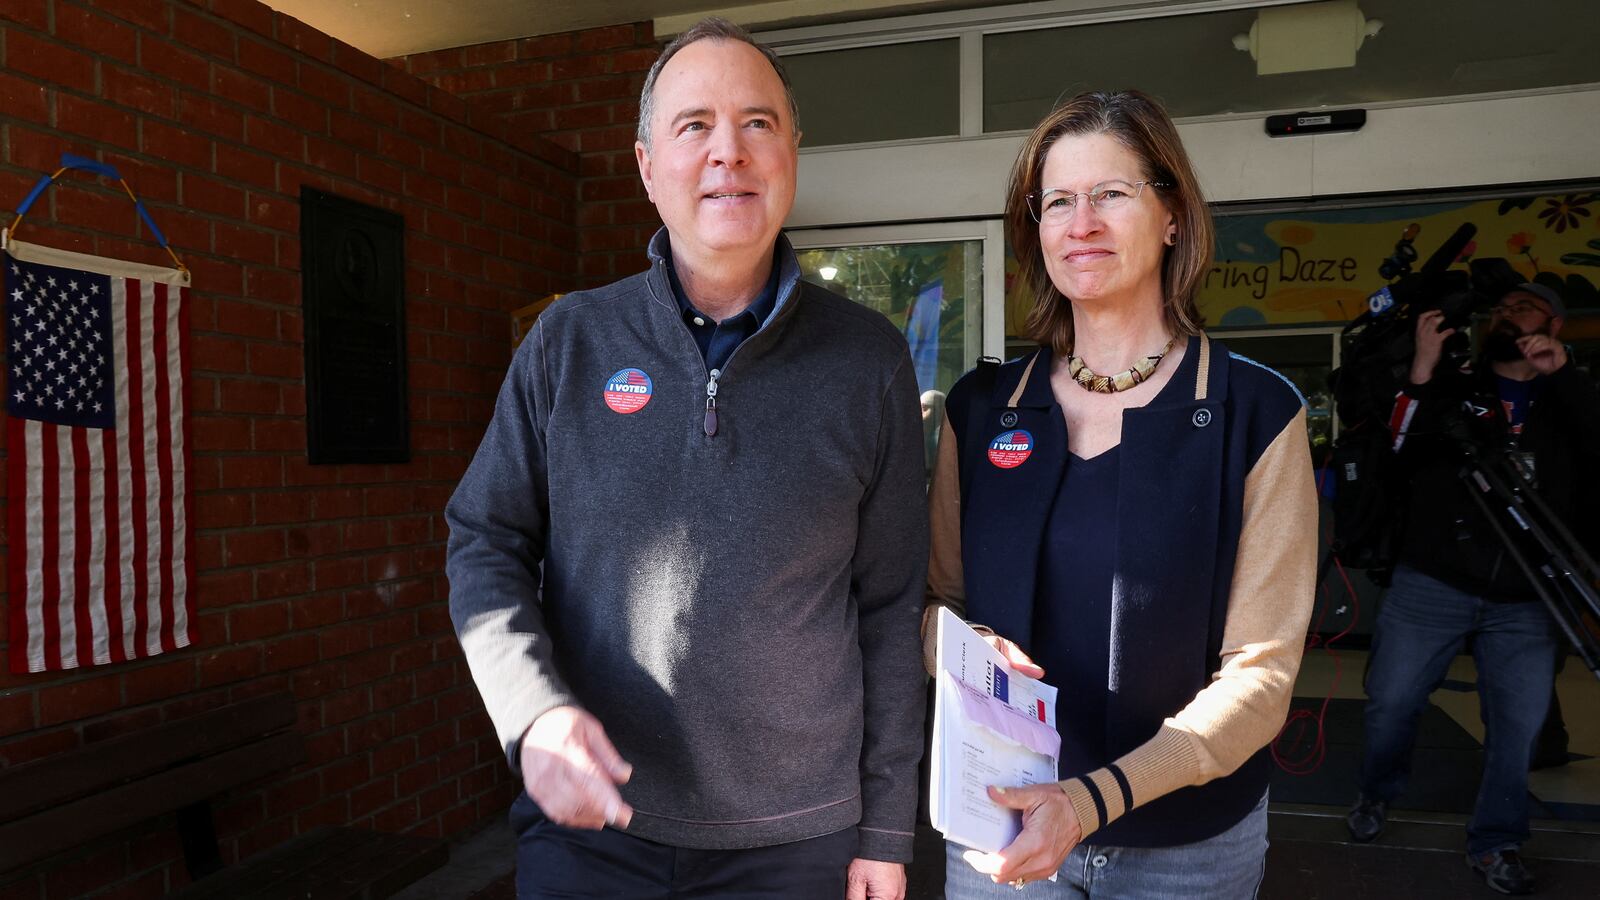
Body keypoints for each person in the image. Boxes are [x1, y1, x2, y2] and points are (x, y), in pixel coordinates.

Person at [444, 18, 928, 899]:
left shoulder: (871, 362)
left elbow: (892, 607)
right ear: (645, 166)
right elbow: (483, 538)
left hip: (798, 842)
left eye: (757, 123)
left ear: (792, 152)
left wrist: (888, 831)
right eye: (694, 124)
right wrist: (531, 716)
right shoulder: (570, 341)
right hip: (595, 831)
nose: (728, 153)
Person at [924, 90, 1317, 897]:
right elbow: (931, 602)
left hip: (1189, 846)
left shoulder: (1257, 413)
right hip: (1004, 825)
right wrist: (955, 648)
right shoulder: (982, 408)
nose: (1082, 222)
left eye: (1111, 194)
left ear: (1173, 215)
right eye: (1058, 201)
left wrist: (1091, 801)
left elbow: (1263, 676)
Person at [1348, 282, 1600, 895]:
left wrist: (1561, 376)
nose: (1508, 315)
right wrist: (1425, 367)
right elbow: (1398, 448)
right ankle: (1376, 793)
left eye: (1525, 308)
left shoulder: (1568, 392)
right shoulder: (1459, 383)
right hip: (1432, 579)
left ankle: (1496, 841)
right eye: (1504, 307)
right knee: (1391, 703)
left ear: (1555, 325)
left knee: (1517, 729)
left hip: (1527, 594)